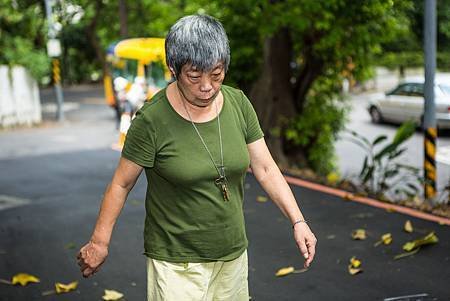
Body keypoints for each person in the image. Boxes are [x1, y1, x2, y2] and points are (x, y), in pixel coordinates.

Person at [77, 14, 317, 301]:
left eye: (216, 74)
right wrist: (99, 242)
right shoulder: (152, 120)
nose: (207, 86)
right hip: (175, 263)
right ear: (173, 69)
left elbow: (265, 168)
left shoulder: (238, 104)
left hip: (232, 256)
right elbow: (121, 184)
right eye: (194, 76)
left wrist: (298, 221)